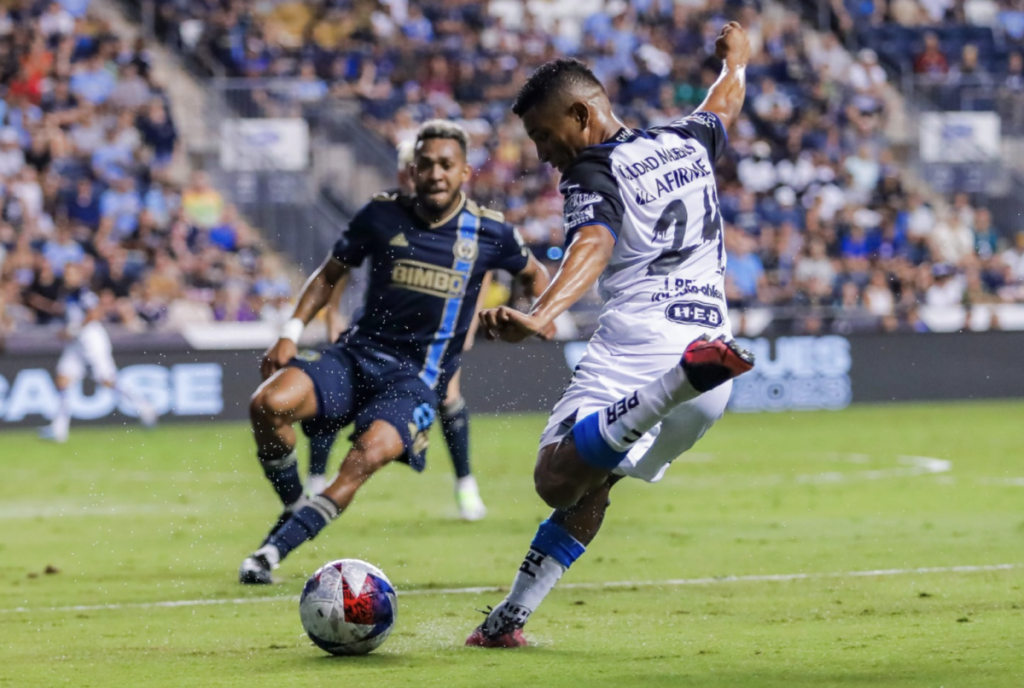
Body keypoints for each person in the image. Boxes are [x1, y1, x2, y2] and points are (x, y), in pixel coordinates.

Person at [465, 23, 755, 648]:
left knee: (555, 478)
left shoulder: (594, 169)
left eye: (545, 135)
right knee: (596, 480)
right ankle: (509, 621)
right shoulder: (685, 140)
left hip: (643, 353)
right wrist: (738, 60)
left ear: (580, 112)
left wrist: (542, 315)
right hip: (711, 360)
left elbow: (591, 244)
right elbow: (723, 102)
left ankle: (671, 385)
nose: (543, 153)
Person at [238, 120, 552, 584]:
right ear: (413, 170)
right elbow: (329, 275)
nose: (435, 173)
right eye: (425, 164)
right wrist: (291, 330)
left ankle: (270, 553)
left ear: (464, 171)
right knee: (267, 404)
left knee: (366, 456)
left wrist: (525, 319)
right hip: (356, 356)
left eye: (446, 165)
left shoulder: (490, 233)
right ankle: (294, 508)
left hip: (417, 381)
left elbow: (535, 278)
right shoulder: (380, 214)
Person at [303, 139, 490, 521]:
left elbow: (480, 269)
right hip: (377, 333)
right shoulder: (382, 211)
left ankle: (466, 484)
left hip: (433, 335)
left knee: (449, 395)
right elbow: (340, 263)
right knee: (332, 392)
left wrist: (470, 320)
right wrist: (332, 314)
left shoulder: (460, 215)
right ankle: (315, 483)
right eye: (410, 167)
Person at [40, 263, 156, 443]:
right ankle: (59, 429)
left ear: (79, 275)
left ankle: (144, 406)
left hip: (91, 340)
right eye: (66, 274)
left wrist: (74, 329)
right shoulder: (66, 293)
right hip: (76, 342)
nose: (68, 277)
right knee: (63, 378)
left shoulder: (84, 292)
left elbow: (95, 313)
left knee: (107, 379)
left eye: (71, 274)